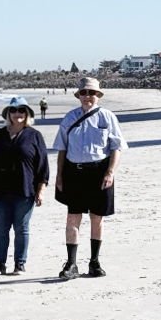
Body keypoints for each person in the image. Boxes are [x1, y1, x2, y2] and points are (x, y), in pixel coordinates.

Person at [53, 78, 127, 279]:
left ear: (98, 95)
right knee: (73, 217)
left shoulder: (107, 117)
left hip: (99, 172)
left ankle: (94, 262)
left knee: (97, 218)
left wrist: (110, 172)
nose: (88, 96)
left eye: (92, 93)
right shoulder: (70, 118)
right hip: (74, 172)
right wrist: (59, 175)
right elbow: (61, 148)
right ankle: (71, 263)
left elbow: (116, 147)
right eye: (84, 93)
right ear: (78, 96)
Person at [0, 97, 49, 276]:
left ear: (26, 113)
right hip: (0, 191)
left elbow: (43, 165)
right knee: (1, 228)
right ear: (8, 114)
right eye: (13, 110)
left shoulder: (34, 135)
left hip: (25, 190)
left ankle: (20, 263)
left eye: (21, 110)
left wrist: (41, 190)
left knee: (21, 227)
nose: (17, 114)